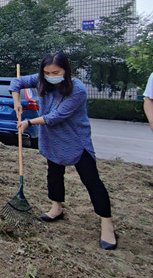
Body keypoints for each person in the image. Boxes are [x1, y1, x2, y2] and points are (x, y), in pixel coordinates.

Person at [11, 52, 117, 250]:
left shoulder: (78, 89)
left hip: (75, 139)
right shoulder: (42, 80)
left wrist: (29, 122)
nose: (51, 76)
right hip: (52, 139)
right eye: (47, 73)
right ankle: (56, 208)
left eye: (56, 72)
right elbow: (16, 82)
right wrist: (16, 101)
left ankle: (107, 224)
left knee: (91, 180)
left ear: (66, 70)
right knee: (54, 174)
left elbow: (56, 116)